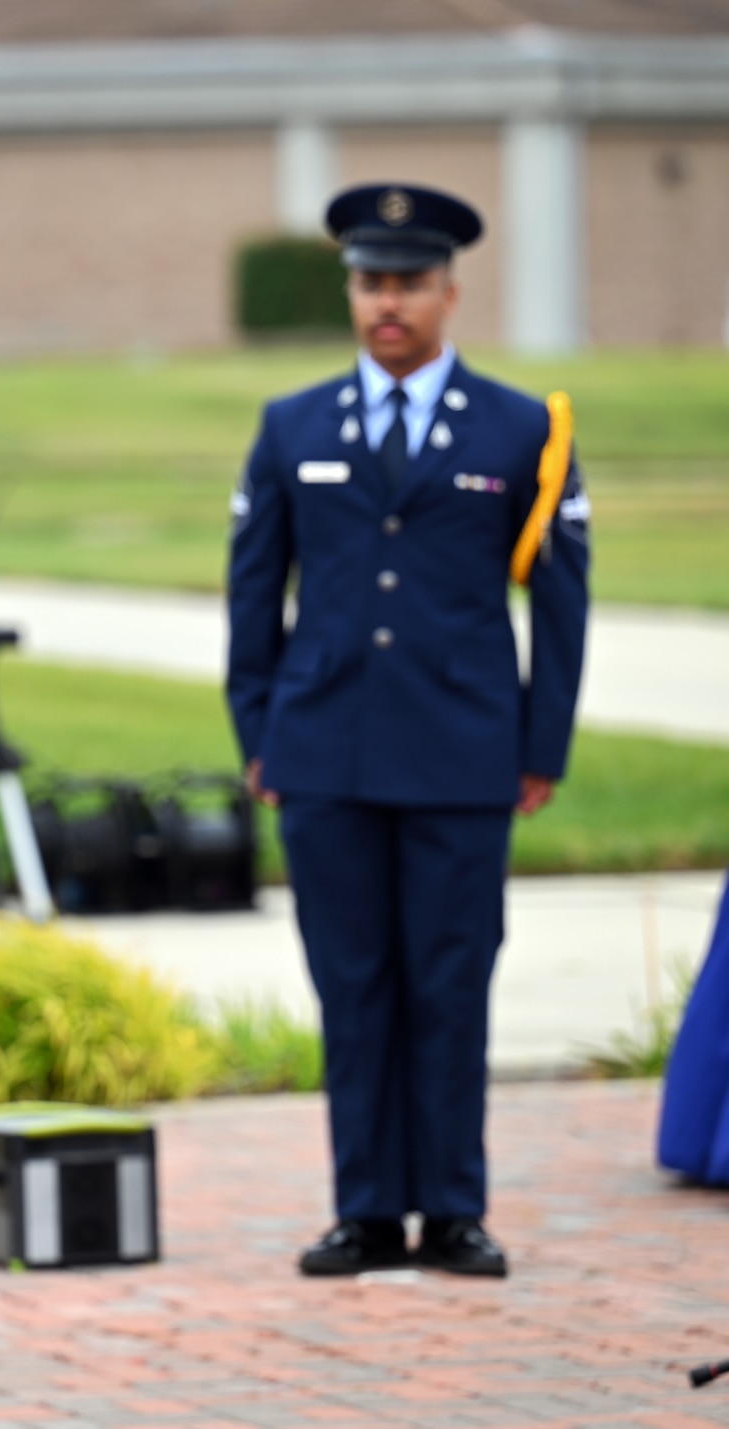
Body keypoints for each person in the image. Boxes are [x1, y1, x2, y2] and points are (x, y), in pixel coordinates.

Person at [226, 184, 590, 1278]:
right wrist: (258, 730)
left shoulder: (520, 427)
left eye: (407, 284)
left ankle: (452, 1210)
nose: (387, 302)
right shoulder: (291, 426)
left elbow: (561, 604)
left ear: (448, 291)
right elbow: (254, 595)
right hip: (323, 751)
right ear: (351, 290)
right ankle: (367, 1210)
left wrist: (540, 748)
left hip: (461, 754)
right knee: (352, 983)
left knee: (447, 978)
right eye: (369, 282)